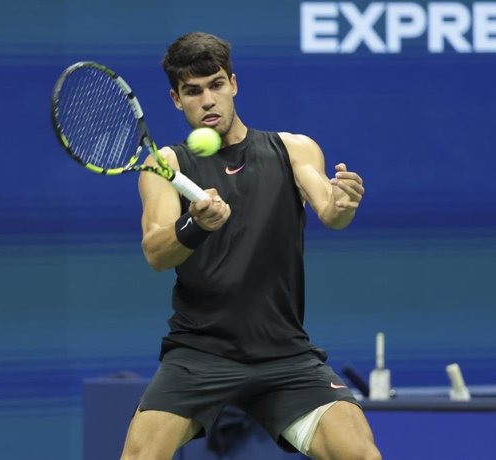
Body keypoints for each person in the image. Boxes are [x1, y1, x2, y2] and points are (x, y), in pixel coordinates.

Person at [120, 32, 380, 460]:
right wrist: (195, 225)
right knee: (139, 456)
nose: (208, 100)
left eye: (216, 85)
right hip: (200, 353)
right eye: (193, 91)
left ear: (233, 84)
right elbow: (156, 251)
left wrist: (345, 202)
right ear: (175, 99)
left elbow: (331, 212)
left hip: (284, 354)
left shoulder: (293, 149)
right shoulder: (164, 164)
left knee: (361, 454)